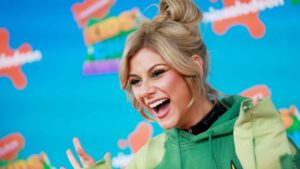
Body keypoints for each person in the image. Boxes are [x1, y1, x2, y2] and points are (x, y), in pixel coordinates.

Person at [64, 0, 300, 168]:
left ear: (194, 65)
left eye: (157, 73)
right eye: (135, 81)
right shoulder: (146, 162)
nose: (144, 91)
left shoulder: (256, 130)